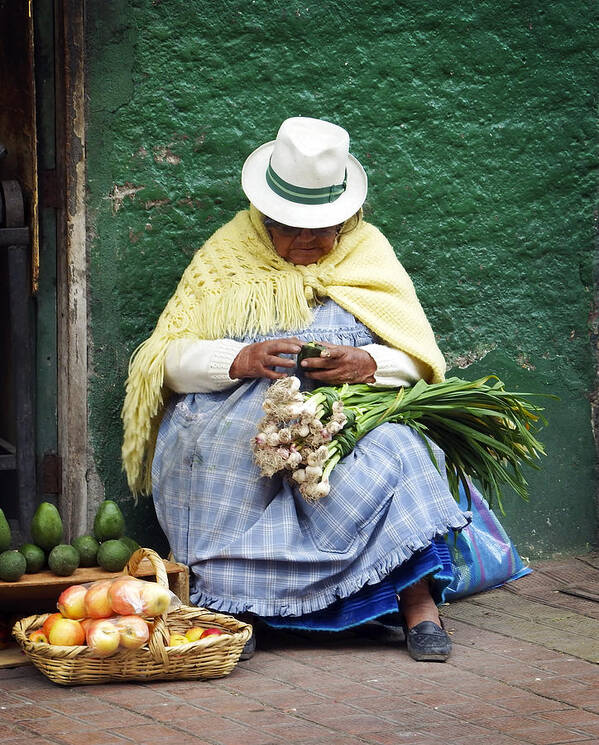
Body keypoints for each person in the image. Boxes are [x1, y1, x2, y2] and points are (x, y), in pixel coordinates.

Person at [122, 116, 473, 662]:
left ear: (348, 216)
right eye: (290, 227)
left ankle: (419, 607)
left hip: (343, 421)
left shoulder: (369, 254)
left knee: (404, 448)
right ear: (263, 217)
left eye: (322, 227)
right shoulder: (225, 256)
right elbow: (164, 361)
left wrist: (366, 363)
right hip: (238, 425)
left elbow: (420, 361)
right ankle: (237, 608)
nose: (308, 240)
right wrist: (236, 359)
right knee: (214, 452)